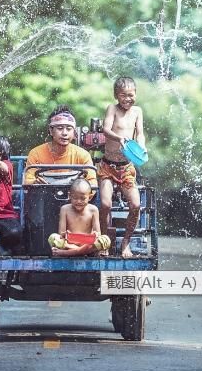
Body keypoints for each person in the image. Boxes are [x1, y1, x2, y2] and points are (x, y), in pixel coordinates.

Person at [99, 76, 145, 258]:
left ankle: (126, 243)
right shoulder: (112, 109)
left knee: (135, 205)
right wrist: (119, 138)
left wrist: (141, 147)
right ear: (116, 96)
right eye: (123, 95)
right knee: (105, 204)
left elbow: (140, 133)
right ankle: (104, 242)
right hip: (108, 167)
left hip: (126, 167)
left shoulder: (138, 111)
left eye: (131, 95)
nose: (128, 99)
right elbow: (106, 129)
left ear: (136, 94)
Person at [23, 105, 95, 185]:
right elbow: (28, 181)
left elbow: (92, 183)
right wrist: (34, 183)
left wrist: (81, 186)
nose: (64, 133)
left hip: (73, 197)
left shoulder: (83, 155)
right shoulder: (36, 153)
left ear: (74, 132)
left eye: (69, 129)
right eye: (60, 128)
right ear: (51, 130)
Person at [48, 177, 111, 256]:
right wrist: (65, 234)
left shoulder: (93, 210)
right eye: (75, 198)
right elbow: (61, 234)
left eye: (83, 198)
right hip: (70, 242)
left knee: (105, 240)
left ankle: (68, 253)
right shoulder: (65, 209)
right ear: (69, 196)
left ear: (90, 197)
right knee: (53, 238)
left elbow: (98, 233)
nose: (78, 201)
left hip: (87, 243)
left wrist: (95, 234)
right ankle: (81, 251)